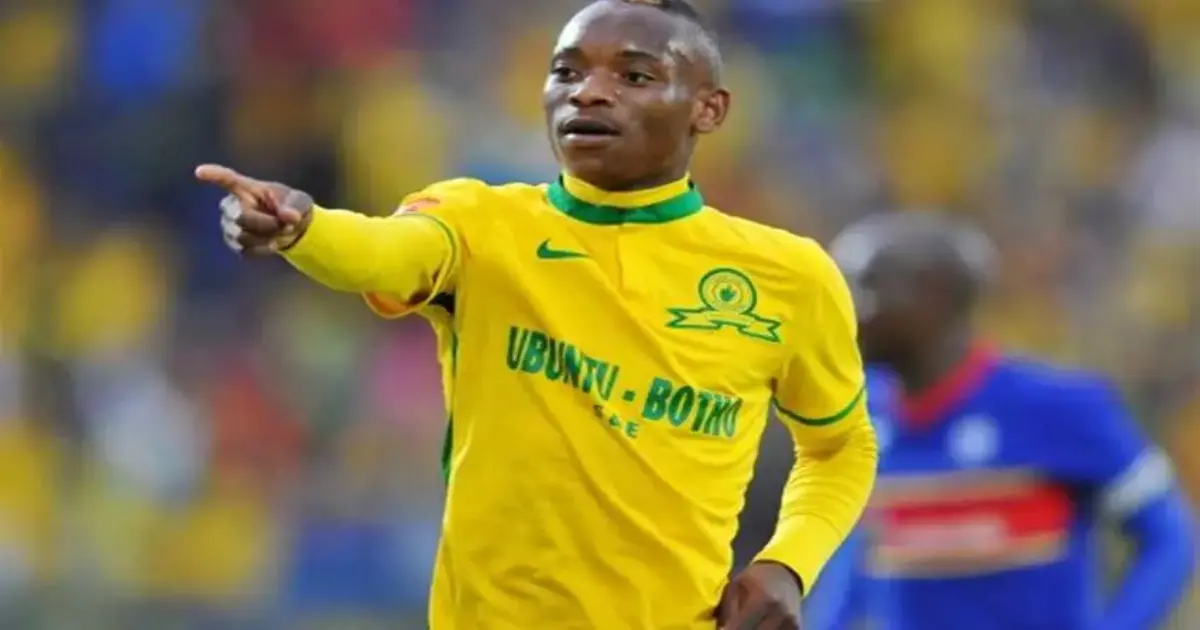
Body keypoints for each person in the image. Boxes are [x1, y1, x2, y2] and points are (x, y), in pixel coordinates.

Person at [195, 1, 879, 628]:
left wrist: (789, 563)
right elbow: (379, 252)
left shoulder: (787, 275)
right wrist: (303, 227)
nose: (589, 92)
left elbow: (841, 446)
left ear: (709, 108)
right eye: (566, 72)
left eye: (635, 76)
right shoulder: (480, 225)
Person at [806, 213, 1197, 630]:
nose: (842, 312)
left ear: (934, 295)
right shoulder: (855, 416)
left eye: (861, 289)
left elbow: (1169, 539)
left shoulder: (1058, 407)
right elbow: (856, 556)